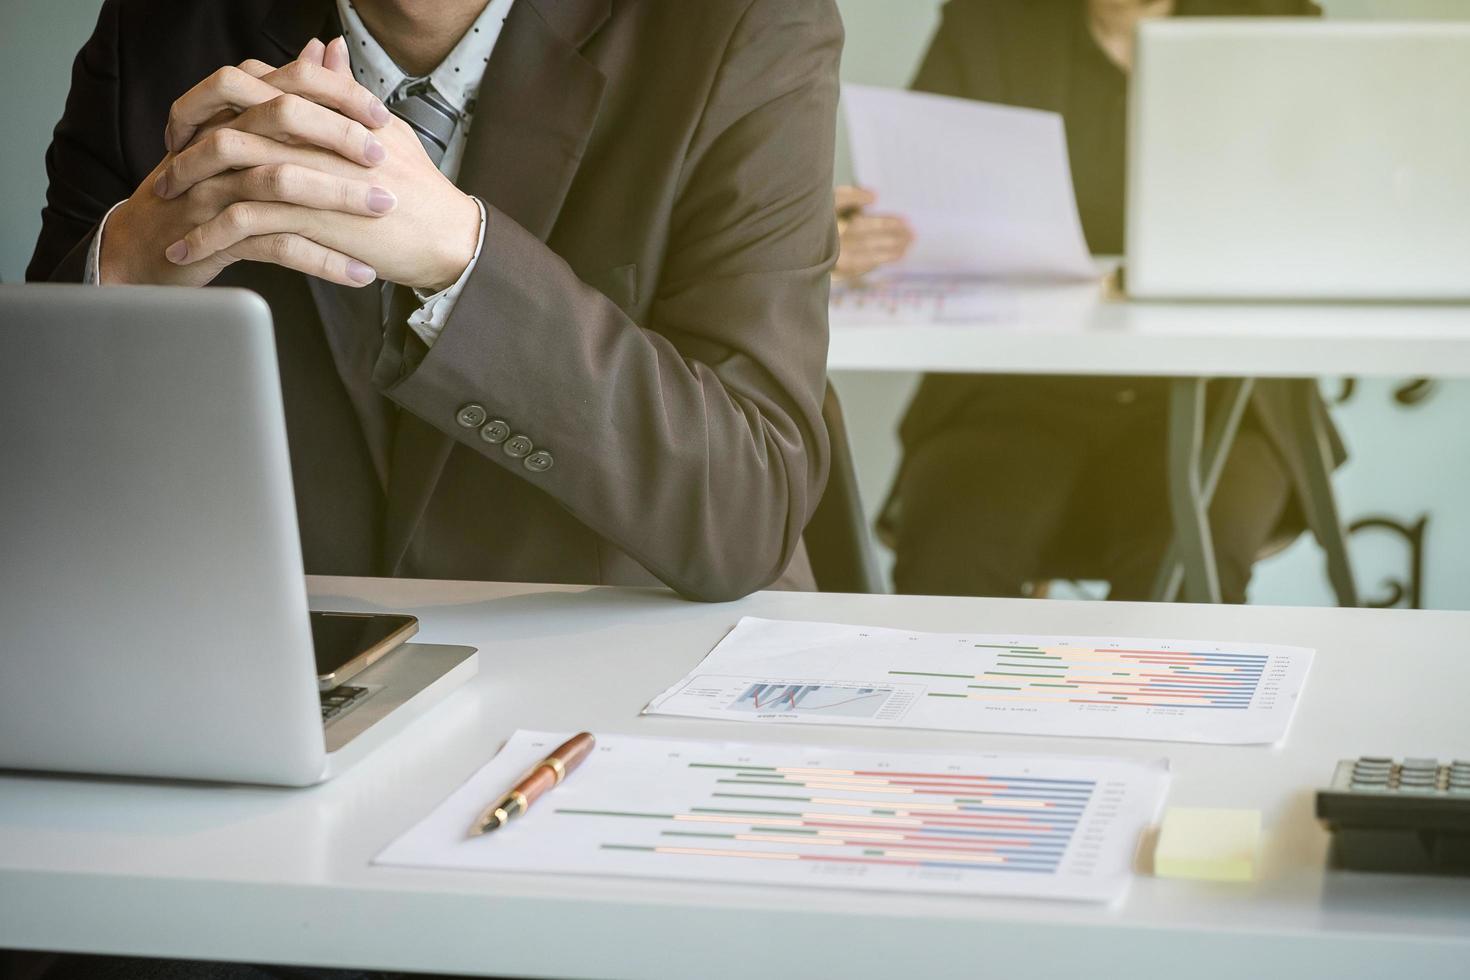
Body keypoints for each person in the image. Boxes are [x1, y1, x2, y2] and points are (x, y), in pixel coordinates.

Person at [29, 0, 843, 604]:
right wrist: (127, 262)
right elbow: (33, 486)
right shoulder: (159, 29)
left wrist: (464, 258)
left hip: (629, 682)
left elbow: (749, 504)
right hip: (277, 682)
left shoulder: (746, 25)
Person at [837, 0, 1337, 603]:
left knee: (1180, 581)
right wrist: (852, 244)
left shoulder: (1272, 25)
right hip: (1010, 391)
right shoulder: (988, 26)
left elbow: (1329, 216)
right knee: (950, 561)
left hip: (1221, 399)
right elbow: (916, 212)